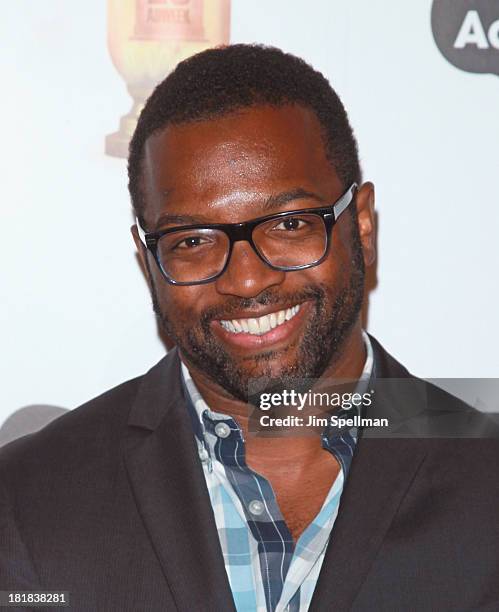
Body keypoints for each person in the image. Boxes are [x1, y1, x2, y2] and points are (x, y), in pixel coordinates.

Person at [1, 44, 498, 612]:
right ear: (148, 261)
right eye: (191, 240)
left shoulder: (488, 481)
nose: (245, 279)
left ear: (360, 225)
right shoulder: (28, 500)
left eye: (289, 223)